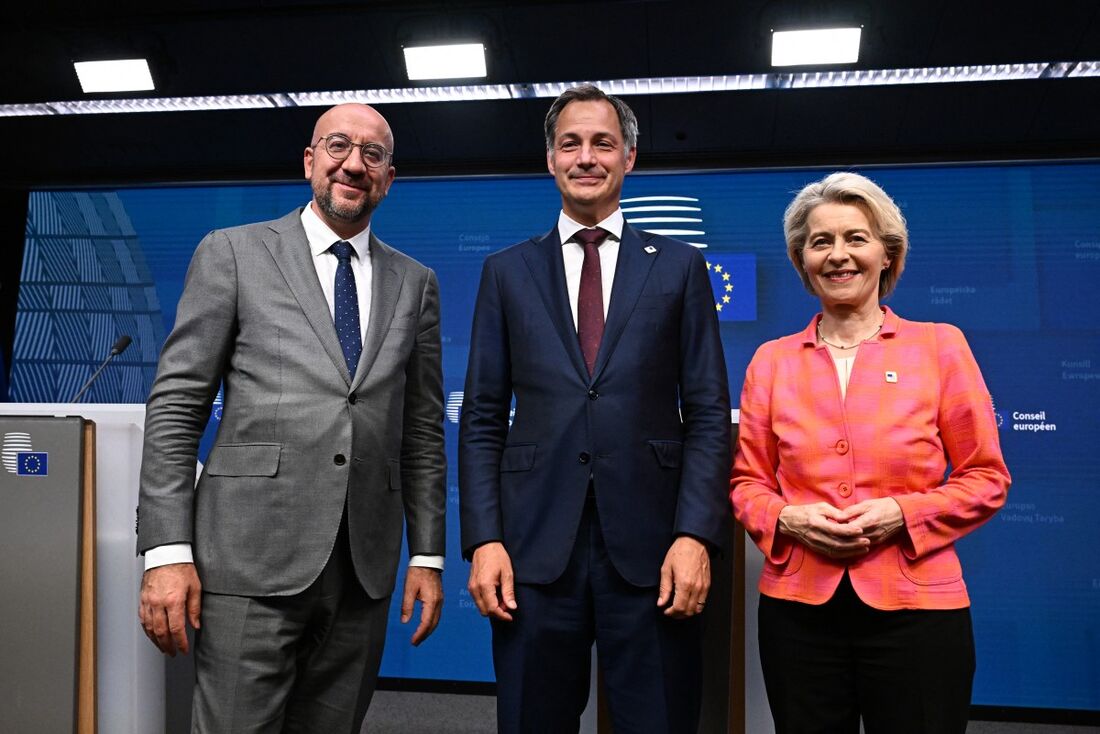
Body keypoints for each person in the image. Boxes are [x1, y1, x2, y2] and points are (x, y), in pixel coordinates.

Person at [136, 103, 447, 732]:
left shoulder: (416, 283)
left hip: (362, 571)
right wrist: (165, 550)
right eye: (338, 146)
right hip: (246, 562)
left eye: (373, 155)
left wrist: (429, 555)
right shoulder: (233, 252)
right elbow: (176, 405)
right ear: (309, 161)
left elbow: (421, 431)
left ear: (389, 177)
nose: (353, 164)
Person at [459, 84, 731, 733]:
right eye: (570, 143)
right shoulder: (506, 272)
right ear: (550, 160)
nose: (586, 156)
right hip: (532, 549)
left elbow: (707, 411)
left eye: (602, 142)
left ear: (629, 157)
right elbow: (483, 417)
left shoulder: (679, 267)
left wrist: (695, 535)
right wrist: (485, 539)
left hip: (652, 548)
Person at [730, 171, 1010, 733]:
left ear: (887, 254)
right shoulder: (771, 361)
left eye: (856, 238)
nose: (838, 255)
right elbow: (746, 484)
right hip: (798, 615)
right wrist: (787, 517)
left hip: (920, 614)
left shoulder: (940, 346)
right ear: (801, 261)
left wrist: (902, 514)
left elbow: (985, 478)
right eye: (820, 241)